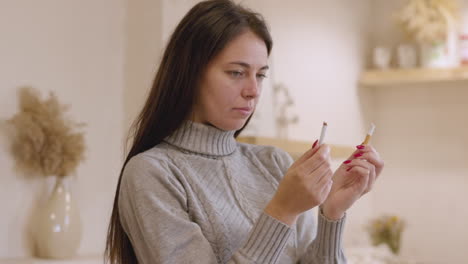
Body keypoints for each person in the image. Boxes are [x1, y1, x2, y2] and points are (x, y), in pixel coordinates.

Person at [105, 0, 384, 263]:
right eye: (237, 72)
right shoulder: (151, 174)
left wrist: (332, 213)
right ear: (190, 73)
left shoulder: (274, 163)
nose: (253, 91)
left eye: (260, 75)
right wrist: (282, 210)